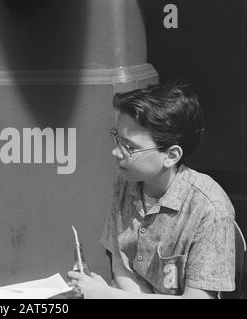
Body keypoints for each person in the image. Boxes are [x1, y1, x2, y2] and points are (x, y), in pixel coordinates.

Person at [68, 83, 235, 299]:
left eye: (129, 146)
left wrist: (109, 296)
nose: (115, 151)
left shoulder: (209, 208)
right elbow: (121, 264)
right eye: (117, 138)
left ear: (171, 155)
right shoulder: (126, 181)